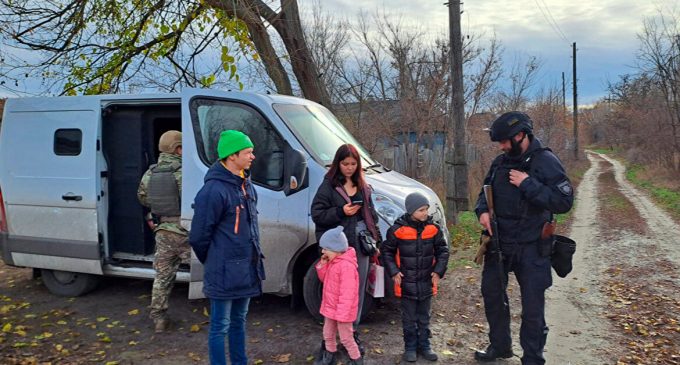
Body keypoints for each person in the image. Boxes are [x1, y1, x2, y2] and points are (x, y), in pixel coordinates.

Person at [473, 112, 574, 365]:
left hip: (532, 247)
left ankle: (532, 357)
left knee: (532, 308)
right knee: (493, 296)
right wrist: (482, 211)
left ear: (520, 135)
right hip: (499, 243)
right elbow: (484, 192)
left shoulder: (546, 161)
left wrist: (528, 183)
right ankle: (500, 346)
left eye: (506, 141)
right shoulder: (499, 162)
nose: (502, 146)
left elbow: (564, 201)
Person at [189, 130, 264, 365]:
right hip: (223, 271)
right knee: (219, 326)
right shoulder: (213, 191)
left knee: (239, 320)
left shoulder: (246, 185)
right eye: (248, 152)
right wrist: (214, 260)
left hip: (246, 268)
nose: (253, 156)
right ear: (232, 156)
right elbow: (198, 236)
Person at [311, 143, 381, 351]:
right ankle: (329, 339)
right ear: (337, 163)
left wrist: (375, 239)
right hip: (337, 247)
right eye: (345, 163)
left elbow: (371, 215)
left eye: (353, 163)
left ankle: (351, 332)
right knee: (333, 291)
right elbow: (317, 214)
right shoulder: (328, 186)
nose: (349, 168)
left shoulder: (363, 186)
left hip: (360, 244)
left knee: (356, 291)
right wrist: (341, 211)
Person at [381, 192, 450, 363]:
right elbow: (387, 252)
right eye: (421, 210)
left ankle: (425, 345)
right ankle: (410, 347)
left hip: (427, 282)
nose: (425, 213)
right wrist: (394, 271)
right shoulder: (398, 230)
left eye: (426, 209)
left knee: (424, 316)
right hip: (406, 283)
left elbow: (443, 250)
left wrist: (438, 270)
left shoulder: (433, 229)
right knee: (409, 318)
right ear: (411, 211)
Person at [137, 130, 190, 333]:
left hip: (163, 231)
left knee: (162, 276)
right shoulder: (184, 172)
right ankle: (219, 312)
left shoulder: (150, 173)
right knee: (208, 270)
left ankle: (159, 319)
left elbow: (142, 197)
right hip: (186, 231)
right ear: (177, 148)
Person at [314, 226, 364, 365]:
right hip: (331, 308)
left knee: (346, 338)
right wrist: (322, 266)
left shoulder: (346, 266)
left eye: (326, 249)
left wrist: (342, 313)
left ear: (336, 248)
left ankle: (356, 360)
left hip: (342, 311)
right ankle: (330, 356)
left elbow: (348, 293)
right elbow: (326, 280)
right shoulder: (333, 262)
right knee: (327, 334)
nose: (323, 251)